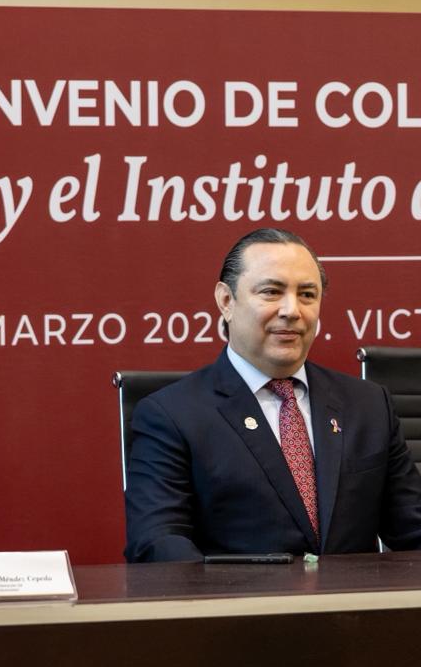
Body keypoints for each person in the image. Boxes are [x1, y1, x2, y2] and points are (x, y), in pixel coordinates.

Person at [124, 227, 421, 562]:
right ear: (226, 301)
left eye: (307, 294)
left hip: (356, 611)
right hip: (242, 611)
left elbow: (412, 527)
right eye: (271, 292)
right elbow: (158, 544)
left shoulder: (368, 406)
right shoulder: (172, 415)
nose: (292, 310)